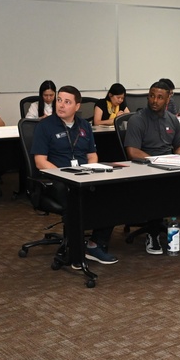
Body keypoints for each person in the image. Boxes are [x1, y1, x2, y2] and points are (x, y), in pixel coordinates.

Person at [31, 85, 118, 266]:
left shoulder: (85, 125)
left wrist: (91, 171)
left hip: (83, 175)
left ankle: (95, 245)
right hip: (57, 178)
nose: (61, 105)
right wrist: (64, 175)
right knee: (76, 201)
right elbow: (40, 161)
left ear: (77, 106)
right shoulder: (44, 126)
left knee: (111, 195)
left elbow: (92, 155)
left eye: (67, 102)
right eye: (59, 100)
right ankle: (75, 251)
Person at [124, 80, 180, 254]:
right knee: (156, 187)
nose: (154, 100)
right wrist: (157, 161)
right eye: (152, 96)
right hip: (145, 167)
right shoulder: (137, 120)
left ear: (167, 100)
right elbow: (133, 152)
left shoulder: (173, 119)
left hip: (169, 166)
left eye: (160, 97)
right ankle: (152, 234)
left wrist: (178, 160)